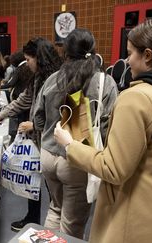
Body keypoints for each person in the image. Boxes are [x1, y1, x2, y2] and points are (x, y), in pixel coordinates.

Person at [54, 18, 152, 243]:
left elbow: (113, 168)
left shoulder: (137, 98)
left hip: (140, 221)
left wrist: (69, 144)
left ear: (148, 55)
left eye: (130, 53)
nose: (127, 60)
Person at [33, 29, 118, 239]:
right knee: (72, 222)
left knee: (54, 208)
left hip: (48, 155)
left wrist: (50, 133)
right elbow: (109, 126)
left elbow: (37, 118)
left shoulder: (53, 78)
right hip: (78, 159)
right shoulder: (103, 82)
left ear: (66, 52)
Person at [0, 37, 62, 232]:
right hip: (38, 139)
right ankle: (32, 218)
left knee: (54, 193)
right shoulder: (38, 77)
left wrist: (34, 125)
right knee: (33, 180)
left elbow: (58, 115)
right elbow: (23, 100)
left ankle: (56, 230)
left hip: (52, 143)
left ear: (39, 58)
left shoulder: (57, 79)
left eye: (29, 59)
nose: (27, 63)